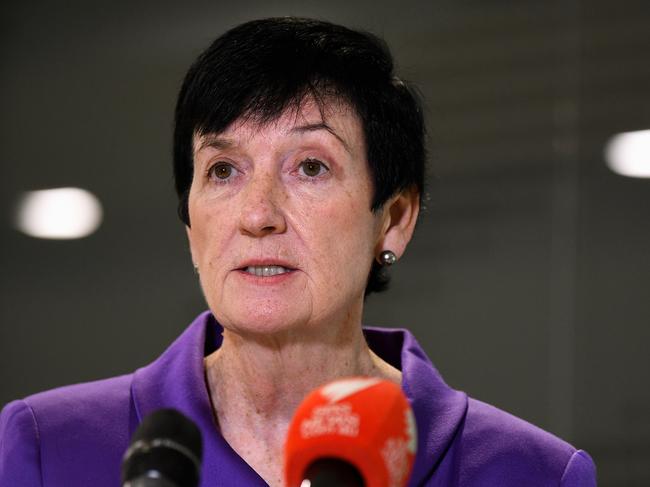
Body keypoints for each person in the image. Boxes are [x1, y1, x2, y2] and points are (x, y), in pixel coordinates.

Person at [0, 17, 596, 487]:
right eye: (224, 170)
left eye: (310, 167)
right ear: (190, 228)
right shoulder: (48, 446)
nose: (258, 215)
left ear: (393, 220)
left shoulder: (530, 473)